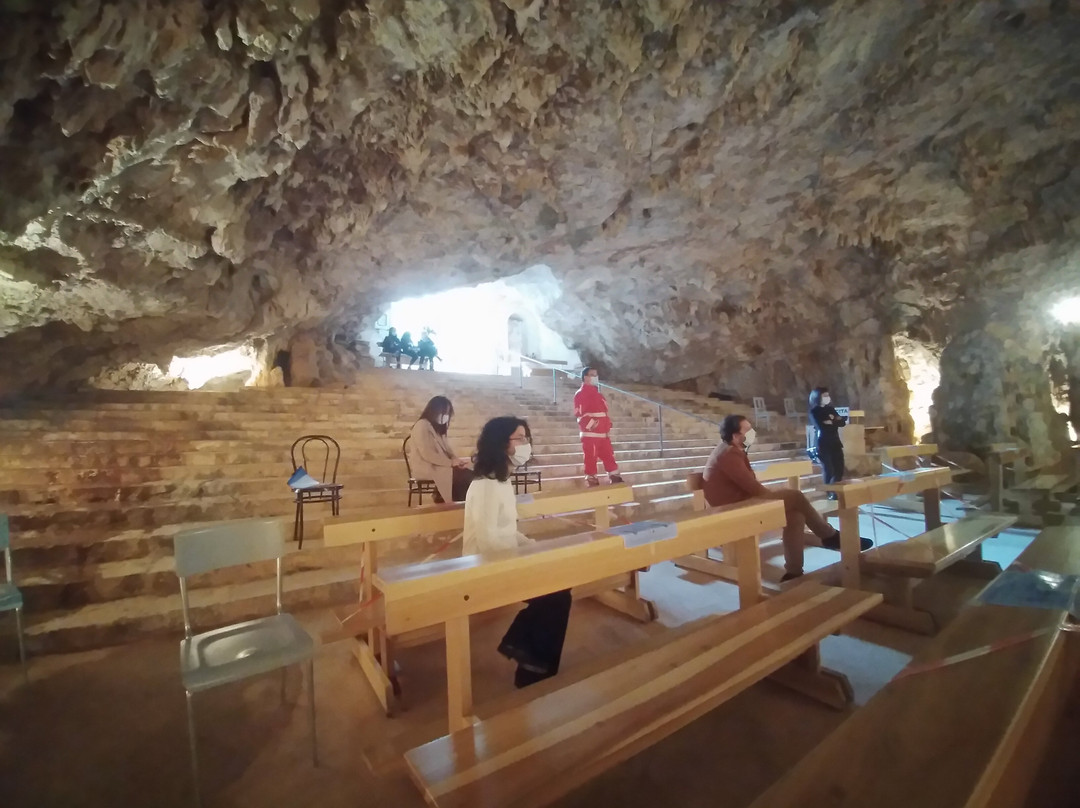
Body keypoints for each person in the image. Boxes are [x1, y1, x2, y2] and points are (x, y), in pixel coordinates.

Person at [464, 416, 572, 688]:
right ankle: (530, 664)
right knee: (557, 594)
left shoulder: (501, 481)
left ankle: (524, 650)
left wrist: (532, 547)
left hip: (504, 560)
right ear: (501, 443)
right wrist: (525, 559)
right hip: (485, 566)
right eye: (520, 438)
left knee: (561, 585)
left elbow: (507, 532)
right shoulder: (486, 485)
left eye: (526, 438)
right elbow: (489, 541)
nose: (526, 444)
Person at [701, 414, 872, 582]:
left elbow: (750, 486)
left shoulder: (733, 449)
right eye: (747, 430)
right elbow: (753, 488)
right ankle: (829, 535)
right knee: (795, 496)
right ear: (736, 436)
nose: (752, 432)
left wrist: (776, 497)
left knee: (795, 516)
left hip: (741, 502)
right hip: (733, 509)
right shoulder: (729, 454)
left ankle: (794, 571)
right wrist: (775, 498)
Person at [407, 396, 472, 503]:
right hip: (427, 466)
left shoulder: (437, 428)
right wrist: (451, 463)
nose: (446, 416)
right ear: (435, 410)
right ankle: (453, 505)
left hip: (440, 465)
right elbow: (427, 454)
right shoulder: (421, 425)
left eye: (447, 413)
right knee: (464, 476)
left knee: (469, 472)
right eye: (444, 412)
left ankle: (457, 503)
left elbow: (448, 451)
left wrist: (457, 461)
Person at [573, 367, 624, 487]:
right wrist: (594, 425)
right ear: (585, 377)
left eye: (596, 375)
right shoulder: (581, 394)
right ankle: (591, 478)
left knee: (608, 455)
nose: (595, 377)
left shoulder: (598, 394)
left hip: (603, 434)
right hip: (591, 435)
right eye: (592, 375)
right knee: (591, 457)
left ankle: (614, 475)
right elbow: (580, 414)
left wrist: (607, 425)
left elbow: (603, 412)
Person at [809, 387, 847, 497]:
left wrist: (831, 422)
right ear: (817, 397)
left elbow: (842, 423)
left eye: (827, 395)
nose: (827, 397)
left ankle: (836, 491)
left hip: (835, 442)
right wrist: (834, 421)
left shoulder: (830, 409)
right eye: (824, 396)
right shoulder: (814, 411)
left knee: (839, 468)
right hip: (823, 443)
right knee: (829, 469)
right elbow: (821, 426)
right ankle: (829, 492)